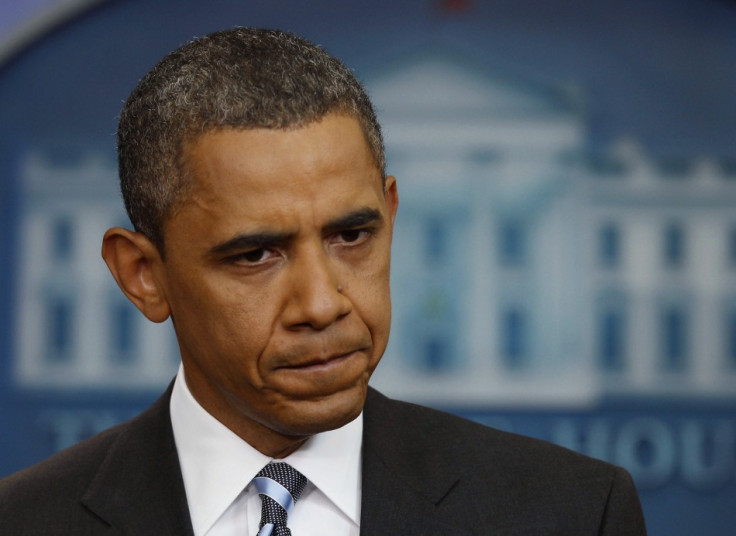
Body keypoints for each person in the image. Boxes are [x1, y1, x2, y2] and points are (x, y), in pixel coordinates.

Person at [0, 28, 646, 535]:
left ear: (390, 214)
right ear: (143, 275)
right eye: (255, 255)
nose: (321, 303)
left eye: (352, 236)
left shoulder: (573, 514)